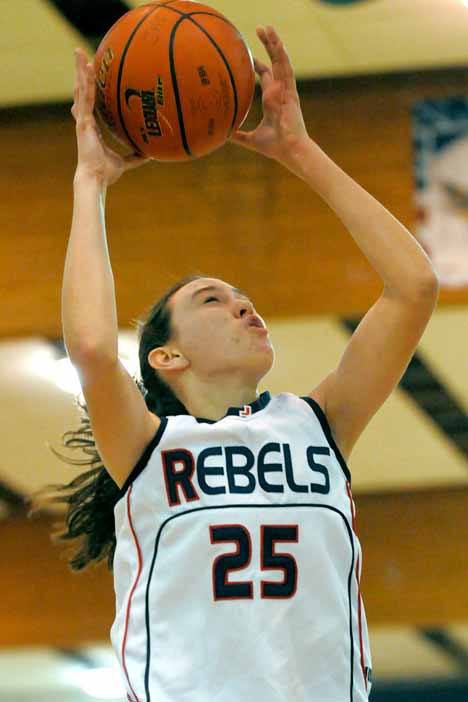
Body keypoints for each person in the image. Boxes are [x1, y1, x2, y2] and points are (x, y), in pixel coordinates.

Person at [31, 24, 439, 702]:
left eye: (245, 298)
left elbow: (414, 289)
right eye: (214, 301)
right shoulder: (146, 448)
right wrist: (90, 180)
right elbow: (96, 349)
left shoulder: (316, 425)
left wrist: (302, 151)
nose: (245, 308)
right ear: (167, 356)